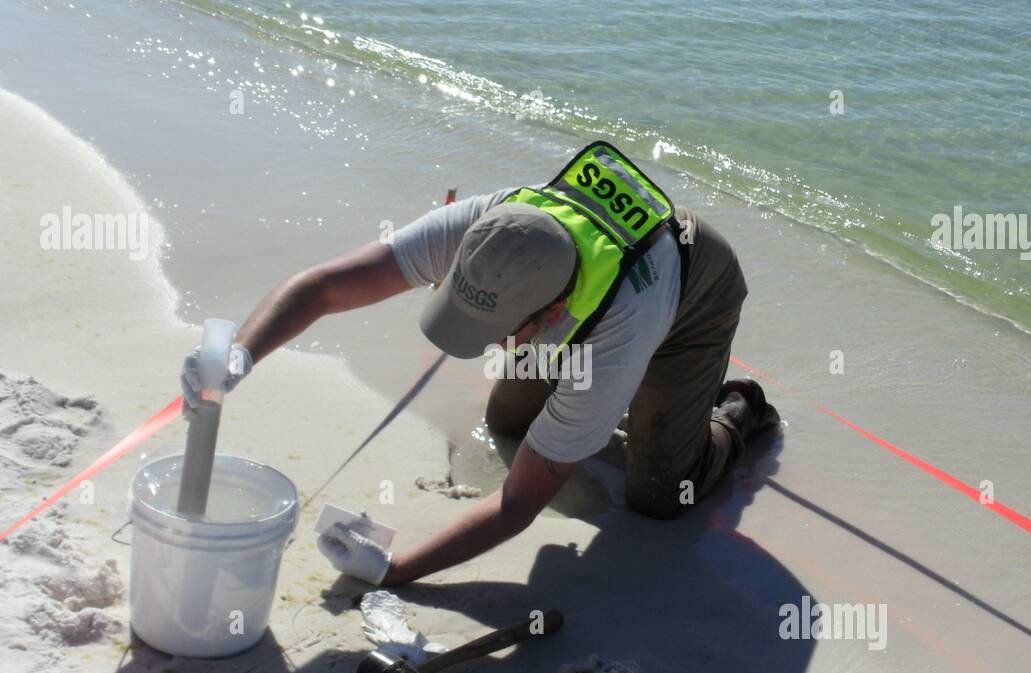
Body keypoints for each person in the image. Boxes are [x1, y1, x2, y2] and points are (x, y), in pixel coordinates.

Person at [181, 142, 777, 586]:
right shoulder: (494, 228)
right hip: (589, 292)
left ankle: (732, 410)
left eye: (494, 332)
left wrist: (397, 568)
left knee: (659, 497)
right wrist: (241, 352)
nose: (488, 344)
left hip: (691, 301)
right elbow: (322, 287)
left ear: (548, 321)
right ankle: (626, 413)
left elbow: (520, 503)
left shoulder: (617, 334)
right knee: (509, 425)